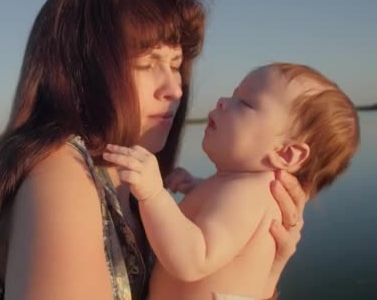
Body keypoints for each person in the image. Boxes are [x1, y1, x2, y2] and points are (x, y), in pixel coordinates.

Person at [0, 0, 307, 300]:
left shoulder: (127, 175)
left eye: (176, 65)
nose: (174, 88)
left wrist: (262, 270)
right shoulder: (62, 176)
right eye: (147, 64)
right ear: (79, 74)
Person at [104, 63, 360, 299]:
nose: (224, 101)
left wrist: (153, 194)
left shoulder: (250, 194)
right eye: (234, 94)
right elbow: (222, 215)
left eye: (246, 103)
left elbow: (193, 259)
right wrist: (196, 186)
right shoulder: (245, 189)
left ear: (286, 153)